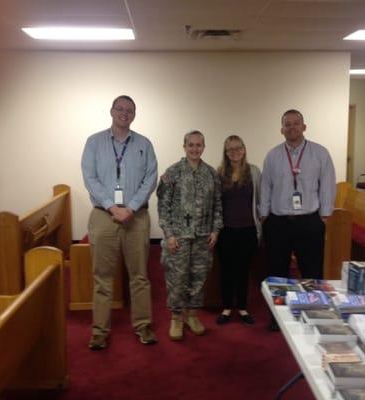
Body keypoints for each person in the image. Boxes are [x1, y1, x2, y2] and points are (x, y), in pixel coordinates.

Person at [81, 95, 158, 350]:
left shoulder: (144, 144)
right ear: (111, 111)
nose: (124, 113)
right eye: (120, 109)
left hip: (136, 218)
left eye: (129, 110)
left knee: (139, 276)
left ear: (134, 115)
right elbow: (89, 177)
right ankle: (100, 330)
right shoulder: (94, 142)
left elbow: (150, 178)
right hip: (103, 216)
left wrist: (131, 207)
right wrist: (112, 207)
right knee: (102, 277)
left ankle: (143, 324)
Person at [260, 109, 336, 330]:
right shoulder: (273, 155)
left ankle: (313, 315)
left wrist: (325, 215)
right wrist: (264, 214)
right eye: (287, 124)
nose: (292, 128)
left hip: (309, 221)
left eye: (296, 123)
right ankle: (278, 318)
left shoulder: (320, 153)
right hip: (278, 222)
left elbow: (328, 185)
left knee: (312, 271)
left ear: (304, 127)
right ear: (281, 129)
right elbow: (266, 186)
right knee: (277, 273)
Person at [157, 130, 223, 341]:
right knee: (177, 278)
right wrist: (168, 234)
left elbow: (218, 205)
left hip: (203, 236)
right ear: (184, 147)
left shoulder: (212, 174)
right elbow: (163, 206)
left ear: (204, 147)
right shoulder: (173, 172)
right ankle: (177, 318)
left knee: (199, 278)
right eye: (191, 145)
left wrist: (215, 229)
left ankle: (192, 315)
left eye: (199, 145)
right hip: (179, 237)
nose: (195, 149)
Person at [215, 135, 261, 326]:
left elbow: (261, 200)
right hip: (225, 231)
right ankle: (226, 308)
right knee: (226, 270)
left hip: (248, 230)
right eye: (230, 149)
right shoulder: (218, 173)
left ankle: (242, 307)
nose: (234, 152)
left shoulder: (254, 171)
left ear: (244, 149)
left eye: (238, 148)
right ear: (225, 153)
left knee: (243, 270)